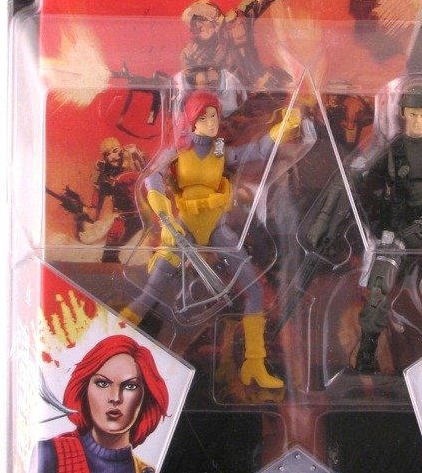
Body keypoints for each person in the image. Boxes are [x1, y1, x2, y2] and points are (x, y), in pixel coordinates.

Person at [130, 90, 304, 388]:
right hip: (183, 228)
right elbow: (152, 177)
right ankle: (120, 331)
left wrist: (281, 128)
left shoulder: (220, 149)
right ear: (191, 120)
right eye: (204, 117)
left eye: (214, 116)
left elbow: (255, 151)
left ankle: (254, 364)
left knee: (254, 290)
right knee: (152, 290)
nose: (212, 122)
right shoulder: (179, 149)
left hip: (217, 228)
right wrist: (165, 218)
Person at [329, 78, 422, 372]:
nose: (418, 121)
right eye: (413, 114)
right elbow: (354, 177)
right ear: (403, 113)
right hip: (397, 229)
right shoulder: (390, 148)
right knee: (378, 292)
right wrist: (333, 216)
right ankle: (366, 357)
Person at [39, 335, 169, 473]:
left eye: (130, 386)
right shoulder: (52, 457)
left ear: (145, 398)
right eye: (102, 383)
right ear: (84, 389)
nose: (115, 398)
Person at [180, 0, 334, 90]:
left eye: (203, 25)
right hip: (231, 99)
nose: (203, 30)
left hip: (264, 86)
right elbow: (190, 84)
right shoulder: (192, 53)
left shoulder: (240, 20)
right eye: (197, 28)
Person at [89, 137, 146, 263]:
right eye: (108, 154)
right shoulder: (104, 170)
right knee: (111, 247)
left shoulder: (132, 159)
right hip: (123, 216)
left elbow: (149, 173)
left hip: (143, 213)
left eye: (115, 151)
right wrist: (94, 213)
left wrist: (137, 155)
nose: (112, 156)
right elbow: (98, 195)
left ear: (121, 150)